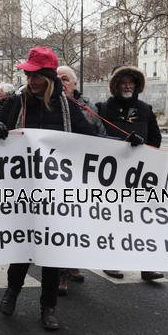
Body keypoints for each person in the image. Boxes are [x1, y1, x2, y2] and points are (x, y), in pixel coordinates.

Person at [0, 47, 97, 331]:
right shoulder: (17, 101)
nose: (31, 79)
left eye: (37, 74)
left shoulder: (68, 107)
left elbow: (94, 139)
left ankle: (48, 307)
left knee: (53, 252)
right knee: (22, 248)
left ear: (49, 76)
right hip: (23, 190)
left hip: (56, 192)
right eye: (28, 74)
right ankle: (12, 291)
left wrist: (128, 144)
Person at [95, 65, 164, 283]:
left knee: (143, 219)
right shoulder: (103, 109)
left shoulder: (145, 109)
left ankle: (146, 265)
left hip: (140, 175)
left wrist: (147, 158)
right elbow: (95, 140)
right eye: (123, 82)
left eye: (131, 82)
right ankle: (111, 259)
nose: (127, 86)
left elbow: (155, 138)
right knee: (114, 218)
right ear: (115, 85)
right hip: (112, 175)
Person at [55, 65, 107, 294]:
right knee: (60, 226)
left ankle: (72, 264)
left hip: (83, 176)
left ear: (74, 83)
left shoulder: (88, 107)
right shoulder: (49, 105)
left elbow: (101, 136)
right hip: (56, 177)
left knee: (77, 224)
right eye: (57, 79)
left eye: (65, 79)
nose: (61, 83)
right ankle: (60, 275)